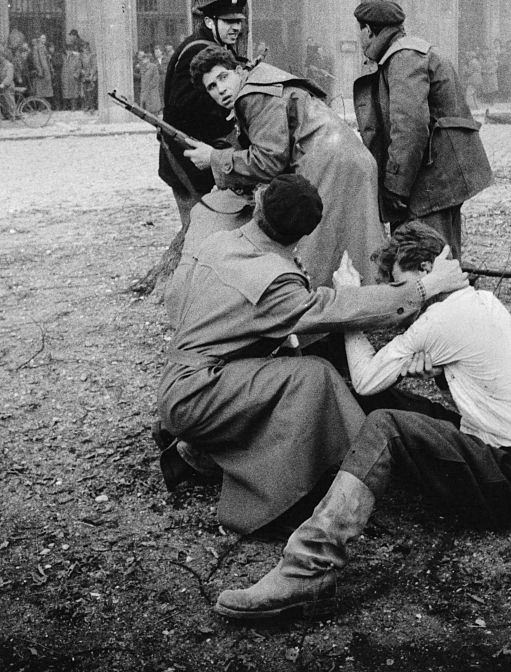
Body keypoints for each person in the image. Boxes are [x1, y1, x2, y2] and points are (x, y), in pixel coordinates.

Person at [215, 220, 511, 621]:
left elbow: (364, 380)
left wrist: (349, 303)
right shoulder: (481, 302)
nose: (407, 302)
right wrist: (439, 377)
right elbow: (483, 391)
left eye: (405, 285)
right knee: (386, 396)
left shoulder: (444, 318)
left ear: (428, 271)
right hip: (500, 454)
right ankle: (302, 463)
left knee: (384, 420)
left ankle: (309, 567)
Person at [157, 174, 467, 537]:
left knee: (290, 365)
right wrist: (423, 287)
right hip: (197, 395)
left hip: (185, 383)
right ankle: (277, 506)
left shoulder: (222, 243)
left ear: (258, 207)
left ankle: (200, 452)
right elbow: (331, 308)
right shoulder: (275, 281)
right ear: (303, 236)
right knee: (311, 375)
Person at [183, 45, 385, 288]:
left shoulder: (252, 95)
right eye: (212, 87)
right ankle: (371, 304)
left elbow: (268, 162)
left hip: (327, 164)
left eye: (223, 77)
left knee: (315, 249)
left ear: (238, 70)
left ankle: (313, 312)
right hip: (350, 158)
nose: (221, 90)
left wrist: (215, 158)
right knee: (359, 243)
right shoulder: (262, 81)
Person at [352, 1, 492, 259]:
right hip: (435, 179)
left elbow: (410, 129)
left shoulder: (403, 58)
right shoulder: (410, 53)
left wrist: (395, 186)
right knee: (439, 257)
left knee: (426, 261)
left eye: (359, 32)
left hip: (428, 184)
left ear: (369, 31)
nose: (359, 41)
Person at [158, 0, 250, 230]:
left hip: (203, 160)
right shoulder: (197, 51)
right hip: (187, 162)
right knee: (197, 235)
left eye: (239, 21)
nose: (236, 28)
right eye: (228, 22)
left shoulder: (215, 47)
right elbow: (181, 108)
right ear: (210, 22)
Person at [61, 33, 83, 110]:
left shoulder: (76, 57)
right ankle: (66, 107)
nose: (69, 51)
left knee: (74, 93)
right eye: (67, 50)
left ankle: (74, 107)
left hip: (73, 77)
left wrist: (76, 74)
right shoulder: (63, 58)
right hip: (66, 77)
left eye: (70, 50)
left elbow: (79, 67)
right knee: (66, 92)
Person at [31, 33, 53, 102]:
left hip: (46, 71)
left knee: (46, 90)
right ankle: (42, 106)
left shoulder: (44, 47)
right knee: (41, 90)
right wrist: (40, 71)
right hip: (42, 72)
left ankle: (44, 105)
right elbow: (36, 60)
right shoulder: (36, 48)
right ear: (39, 39)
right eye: (42, 38)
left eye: (45, 38)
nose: (44, 40)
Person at [80, 41, 98, 111]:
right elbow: (80, 66)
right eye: (84, 48)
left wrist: (91, 74)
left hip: (91, 76)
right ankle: (87, 105)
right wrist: (82, 71)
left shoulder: (92, 56)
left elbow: (94, 66)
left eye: (87, 47)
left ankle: (92, 107)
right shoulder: (81, 56)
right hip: (84, 76)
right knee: (85, 92)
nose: (86, 49)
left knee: (92, 92)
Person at [0, 48, 15, 120]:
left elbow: (9, 77)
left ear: (3, 57)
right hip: (3, 87)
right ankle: (7, 115)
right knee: (3, 101)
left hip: (8, 86)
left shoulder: (9, 65)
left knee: (10, 102)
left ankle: (14, 116)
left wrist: (3, 84)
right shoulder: (1, 66)